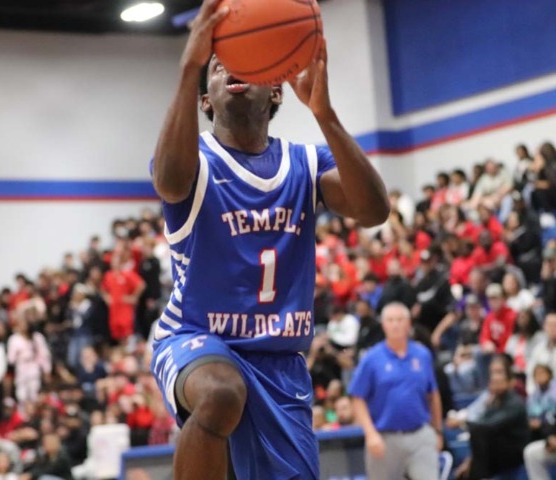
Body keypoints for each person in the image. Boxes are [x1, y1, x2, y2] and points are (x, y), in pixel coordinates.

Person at [148, 0, 390, 478]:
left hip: (280, 360)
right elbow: (170, 183)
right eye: (218, 67)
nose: (229, 71)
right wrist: (188, 68)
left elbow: (373, 210)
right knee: (221, 394)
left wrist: (325, 114)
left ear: (275, 90)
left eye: (244, 62)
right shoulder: (192, 157)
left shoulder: (306, 162)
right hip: (196, 336)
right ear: (205, 100)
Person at [349, 303, 442, 480]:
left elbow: (433, 394)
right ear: (383, 325)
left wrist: (437, 430)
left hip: (420, 434)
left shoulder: (422, 355)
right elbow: (357, 397)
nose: (395, 325)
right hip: (384, 437)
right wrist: (370, 433)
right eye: (390, 320)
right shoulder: (372, 358)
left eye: (400, 320)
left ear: (408, 324)